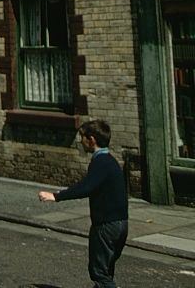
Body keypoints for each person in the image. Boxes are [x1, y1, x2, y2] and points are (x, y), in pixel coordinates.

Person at [38, 120, 128, 288]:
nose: (80, 141)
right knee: (106, 270)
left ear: (91, 140)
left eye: (82, 137)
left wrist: (56, 196)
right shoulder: (110, 161)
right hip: (120, 223)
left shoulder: (101, 162)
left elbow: (85, 187)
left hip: (106, 225)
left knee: (100, 273)